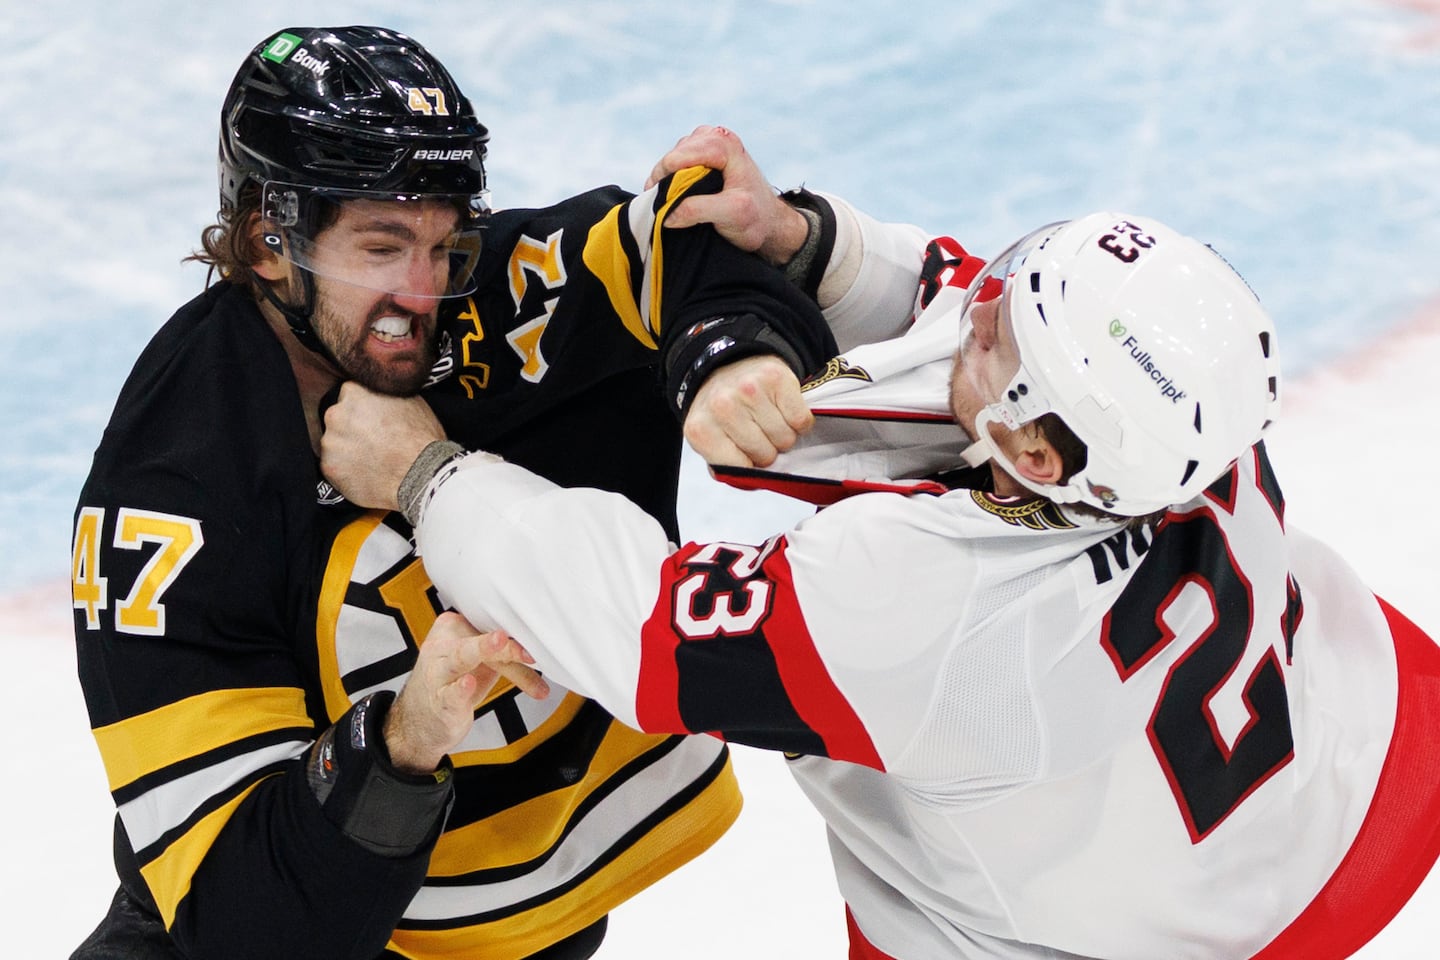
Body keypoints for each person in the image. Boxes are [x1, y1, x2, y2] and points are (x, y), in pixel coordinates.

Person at [349, 210, 1440, 958]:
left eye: (999, 332)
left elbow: (634, 626)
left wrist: (426, 474)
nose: (975, 308)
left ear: (1040, 458)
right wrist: (810, 240)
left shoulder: (941, 619)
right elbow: (974, 320)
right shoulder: (1187, 423)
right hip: (1363, 759)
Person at [68, 26, 912, 960]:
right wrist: (402, 738)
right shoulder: (170, 489)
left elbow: (690, 234)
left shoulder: (490, 296)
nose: (420, 298)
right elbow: (240, 919)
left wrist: (729, 348)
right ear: (270, 241)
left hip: (514, 907)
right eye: (383, 247)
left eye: (444, 247)